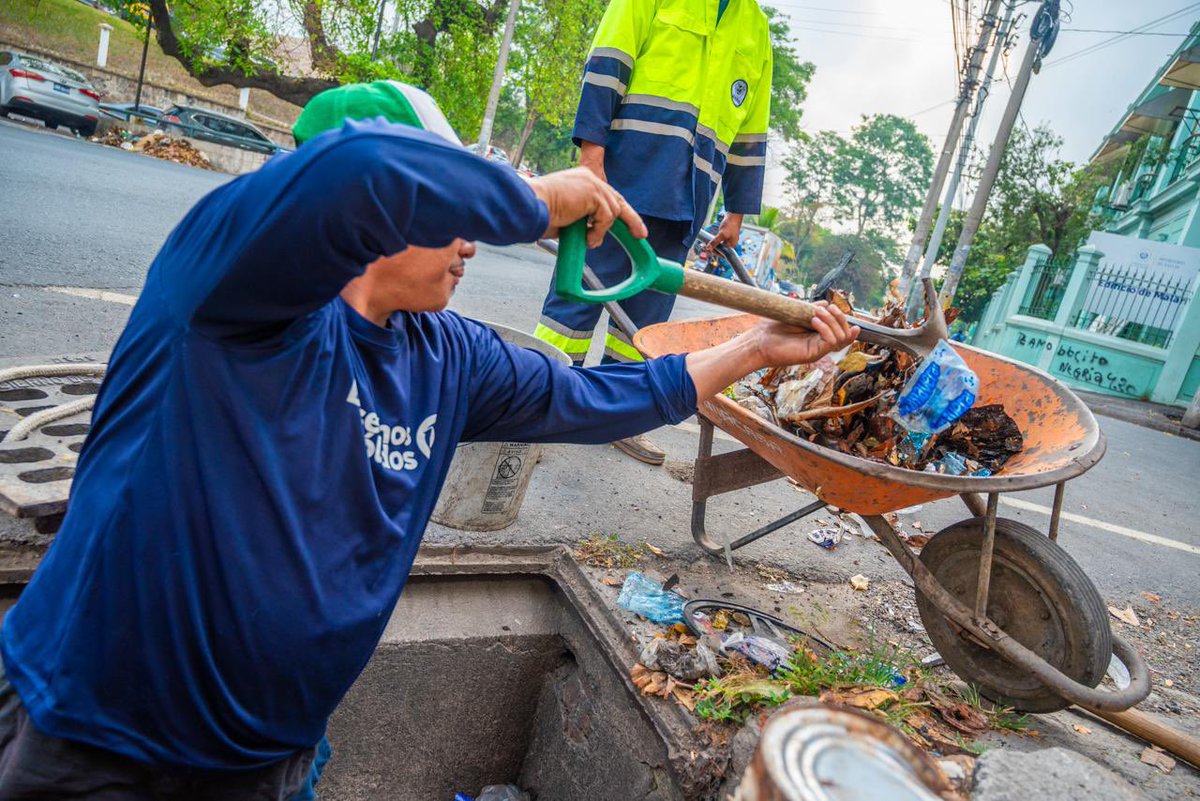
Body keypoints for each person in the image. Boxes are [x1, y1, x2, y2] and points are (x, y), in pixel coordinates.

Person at [0, 81, 856, 800]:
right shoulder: (226, 297)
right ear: (380, 221)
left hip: (270, 764)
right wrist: (538, 197)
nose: (472, 240)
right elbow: (361, 169)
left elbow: (603, 396)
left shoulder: (443, 355)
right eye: (450, 206)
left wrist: (751, 350)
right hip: (96, 747)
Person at [534, 0, 774, 466]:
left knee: (645, 320)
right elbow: (609, 63)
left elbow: (751, 131)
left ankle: (612, 420)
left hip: (689, 195)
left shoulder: (756, 29)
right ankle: (541, 400)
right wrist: (591, 156)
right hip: (625, 171)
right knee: (580, 294)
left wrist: (737, 211)